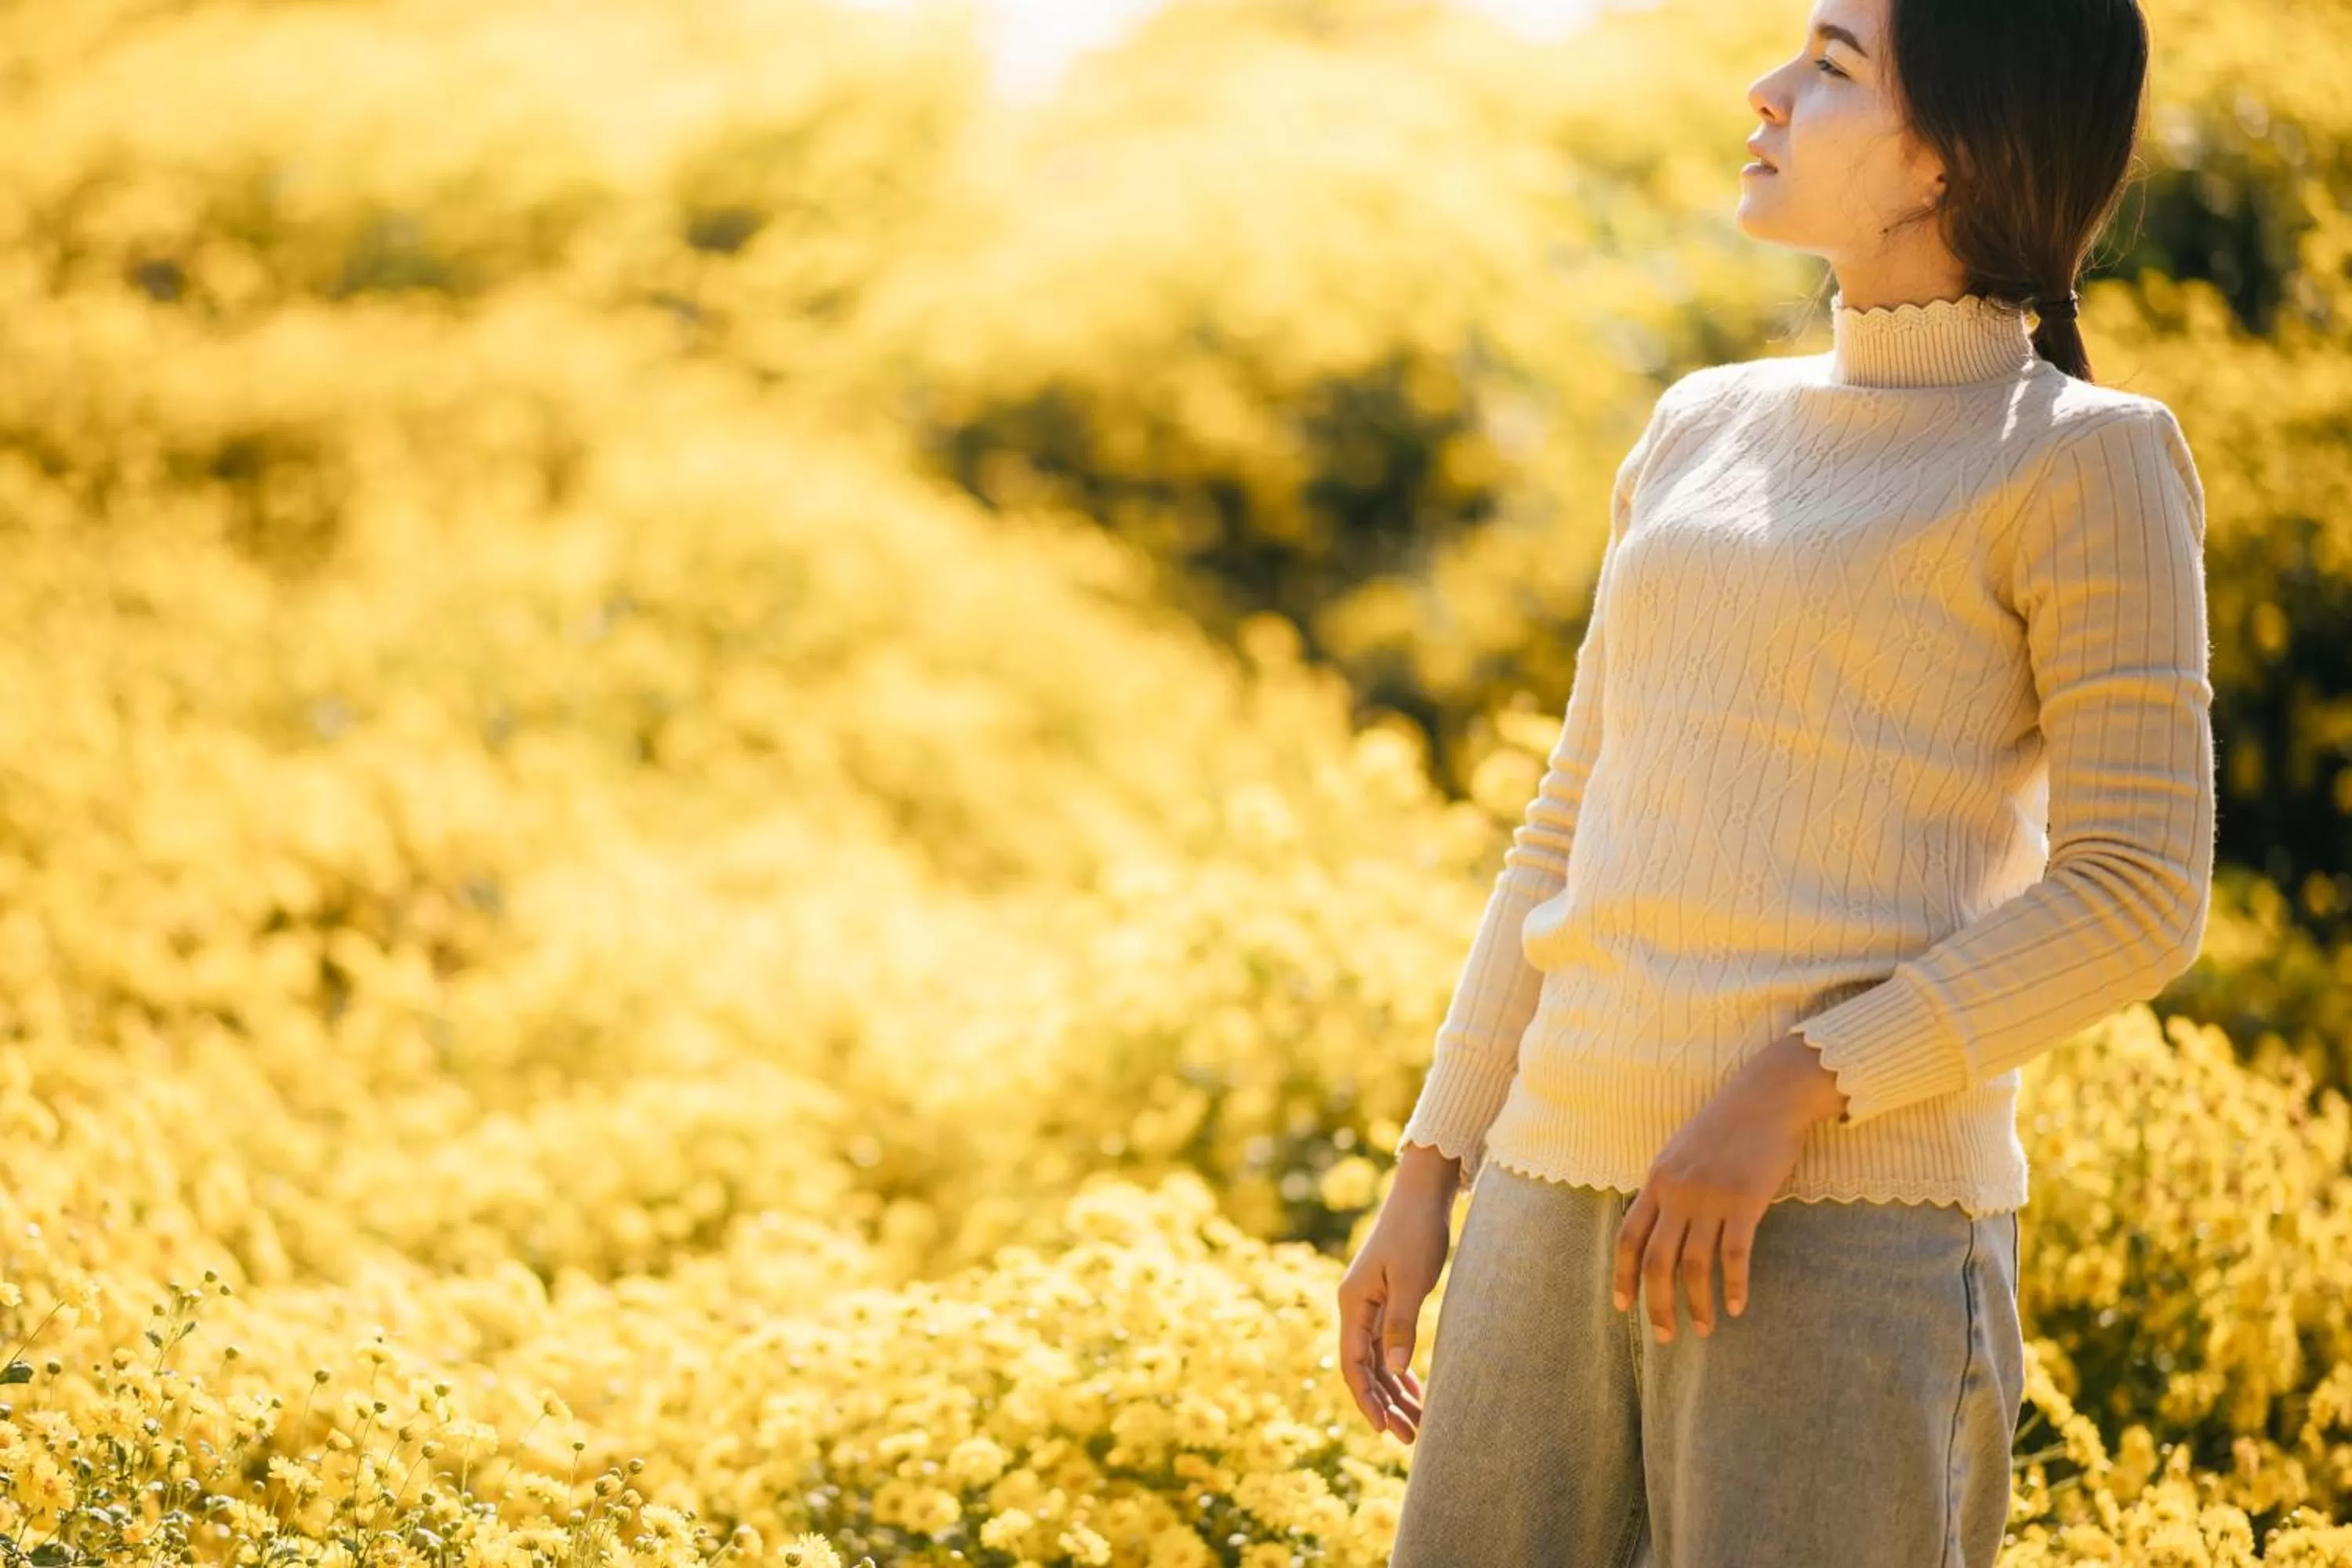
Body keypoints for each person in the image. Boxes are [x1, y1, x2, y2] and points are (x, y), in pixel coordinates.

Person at [1338, 0, 2217, 1563]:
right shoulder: (1700, 423)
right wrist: (1434, 1167)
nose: (1764, 90)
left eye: (1829, 67)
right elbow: (1569, 821)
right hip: (1546, 1191)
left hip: (1845, 1240)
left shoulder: (2088, 459)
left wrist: (1798, 1082)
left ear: (1949, 159)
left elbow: (2136, 892)